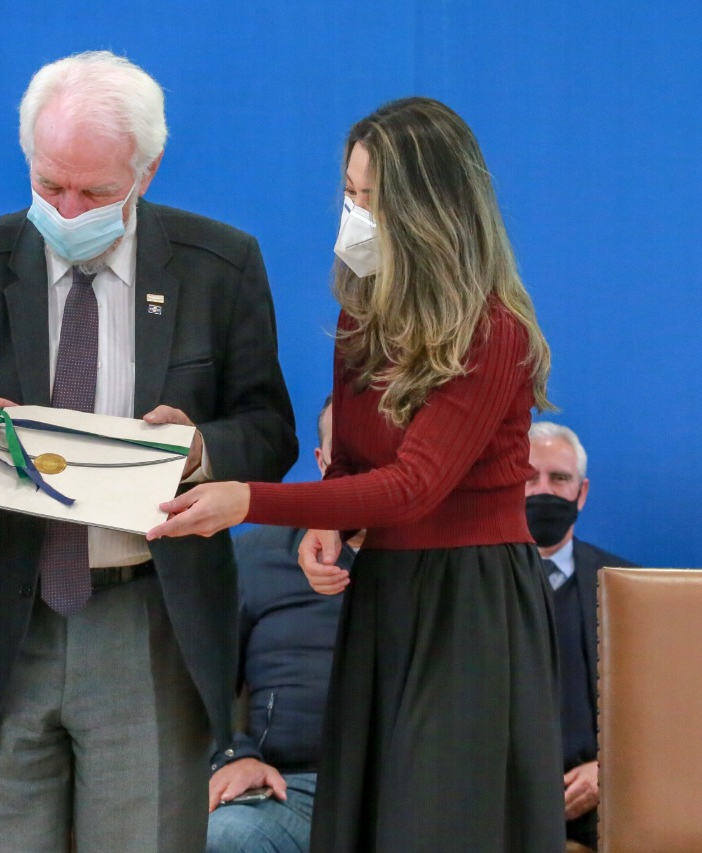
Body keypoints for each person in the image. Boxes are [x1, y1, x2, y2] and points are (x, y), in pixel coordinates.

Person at [0, 50, 297, 852]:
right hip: (5, 621)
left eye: (97, 192)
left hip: (148, 616)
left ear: (148, 170)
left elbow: (270, 430)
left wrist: (196, 450)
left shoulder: (221, 266)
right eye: (50, 185)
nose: (70, 208)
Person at [150, 96, 566, 852]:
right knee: (369, 818)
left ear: (429, 208)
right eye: (348, 191)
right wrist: (323, 519)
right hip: (385, 596)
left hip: (468, 606)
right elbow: (351, 461)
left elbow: (414, 485)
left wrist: (247, 498)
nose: (354, 211)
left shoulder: (492, 328)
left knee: (441, 824)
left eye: (371, 197)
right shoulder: (360, 311)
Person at [207, 398, 357, 853]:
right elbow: (200, 683)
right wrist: (234, 756)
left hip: (417, 792)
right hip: (293, 790)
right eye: (346, 450)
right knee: (229, 838)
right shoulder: (258, 555)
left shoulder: (447, 564)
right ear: (321, 460)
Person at [527, 421, 636, 850]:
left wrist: (608, 769)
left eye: (559, 478)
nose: (543, 491)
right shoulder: (465, 589)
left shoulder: (628, 588)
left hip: (604, 796)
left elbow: (662, 709)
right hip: (498, 797)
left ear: (581, 492)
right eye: (527, 478)